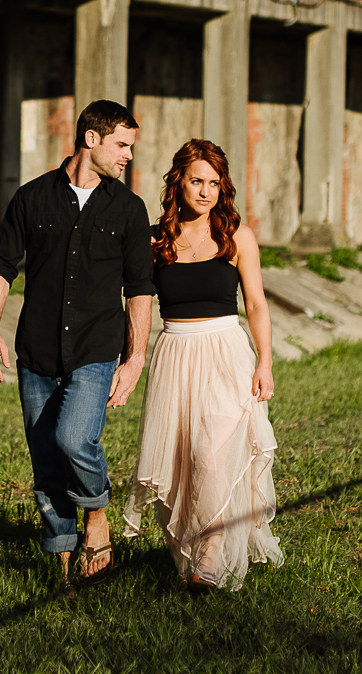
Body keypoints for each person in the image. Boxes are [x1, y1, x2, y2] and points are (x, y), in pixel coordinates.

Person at [0, 100, 155, 586]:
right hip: (36, 351)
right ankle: (63, 564)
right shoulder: (32, 198)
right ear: (91, 139)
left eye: (131, 148)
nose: (128, 157)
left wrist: (135, 356)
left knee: (73, 439)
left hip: (95, 351)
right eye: (122, 145)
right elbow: (0, 265)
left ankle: (96, 513)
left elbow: (140, 288)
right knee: (46, 462)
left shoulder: (129, 209)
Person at [121, 138, 282, 591]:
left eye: (214, 183)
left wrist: (264, 362)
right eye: (197, 181)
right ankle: (192, 548)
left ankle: (209, 559)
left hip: (226, 352)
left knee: (212, 456)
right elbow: (138, 301)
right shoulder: (156, 239)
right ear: (179, 182)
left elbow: (256, 303)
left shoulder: (237, 236)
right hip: (174, 353)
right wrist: (129, 355)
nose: (206, 191)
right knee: (183, 459)